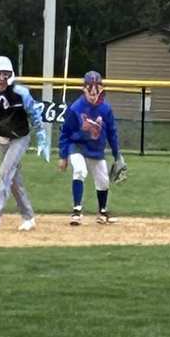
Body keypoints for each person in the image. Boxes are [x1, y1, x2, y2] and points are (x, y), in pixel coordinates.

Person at [0, 55, 49, 230]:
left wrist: (42, 138)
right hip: (2, 139)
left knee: (5, 172)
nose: (1, 79)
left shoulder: (21, 93)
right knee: (13, 180)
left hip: (20, 137)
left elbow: (34, 114)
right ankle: (28, 217)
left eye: (5, 75)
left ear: (11, 76)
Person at [58, 70, 121, 225]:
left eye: (97, 86)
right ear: (84, 89)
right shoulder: (76, 108)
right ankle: (77, 211)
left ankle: (102, 212)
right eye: (90, 86)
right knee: (80, 170)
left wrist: (117, 154)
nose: (93, 90)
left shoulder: (105, 109)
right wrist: (63, 155)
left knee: (103, 180)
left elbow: (112, 132)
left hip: (96, 147)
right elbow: (65, 132)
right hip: (77, 144)